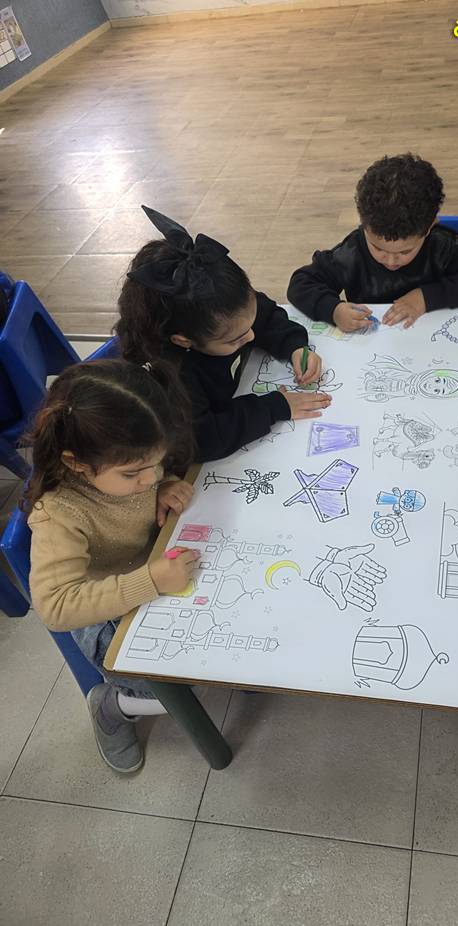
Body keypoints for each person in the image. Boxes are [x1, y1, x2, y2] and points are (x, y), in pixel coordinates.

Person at [26, 359, 198, 773]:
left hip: (152, 572)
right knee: (180, 688)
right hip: (102, 613)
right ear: (76, 463)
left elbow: (150, 476)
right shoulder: (59, 514)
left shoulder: (128, 459)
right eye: (134, 473)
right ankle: (114, 705)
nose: (148, 478)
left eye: (156, 463)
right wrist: (149, 581)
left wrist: (166, 484)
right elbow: (56, 607)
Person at [116, 206, 331, 462]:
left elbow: (266, 315)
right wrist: (273, 407)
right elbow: (202, 440)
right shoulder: (172, 375)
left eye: (249, 324)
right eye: (235, 339)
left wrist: (293, 346)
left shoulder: (226, 310)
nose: (250, 337)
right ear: (184, 340)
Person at [287, 153, 458, 332]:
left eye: (404, 252)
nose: (390, 260)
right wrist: (333, 310)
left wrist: (424, 298)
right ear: (364, 225)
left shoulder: (442, 247)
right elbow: (301, 283)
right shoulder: (353, 251)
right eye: (378, 248)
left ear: (429, 227)